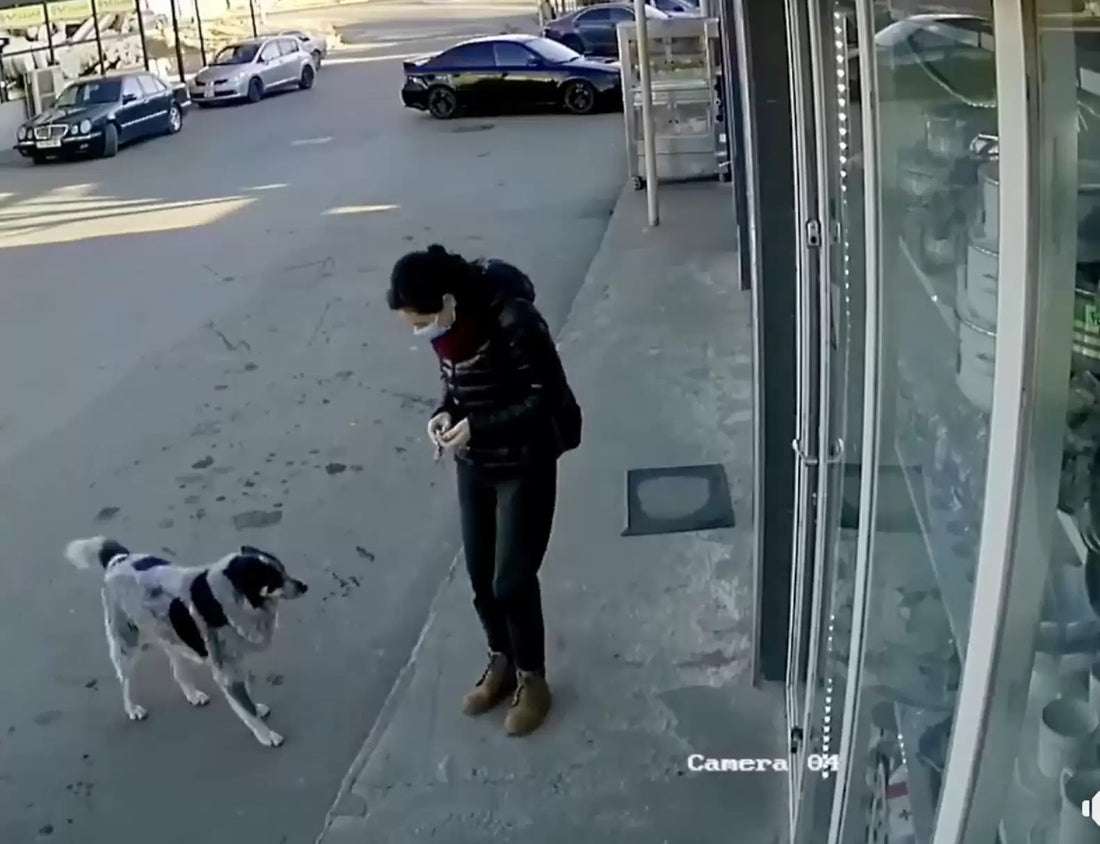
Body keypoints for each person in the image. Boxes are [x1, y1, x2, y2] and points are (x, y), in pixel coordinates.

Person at [387, 244, 581, 736]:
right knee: (480, 578)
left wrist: (480, 426)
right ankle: (502, 661)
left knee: (511, 581)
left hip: (525, 462)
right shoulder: (450, 333)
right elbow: (457, 390)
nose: (420, 332)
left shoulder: (515, 320)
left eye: (421, 321)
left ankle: (533, 681)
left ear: (449, 301)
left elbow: (546, 398)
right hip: (475, 462)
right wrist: (443, 416)